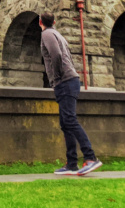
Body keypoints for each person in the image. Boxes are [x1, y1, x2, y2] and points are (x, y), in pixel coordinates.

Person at [39, 13, 102, 176]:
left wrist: (58, 77)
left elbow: (57, 55)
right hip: (70, 81)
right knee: (65, 123)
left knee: (69, 120)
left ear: (40, 23)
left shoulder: (46, 34)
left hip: (65, 82)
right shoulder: (59, 34)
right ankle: (71, 163)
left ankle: (90, 157)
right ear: (54, 21)